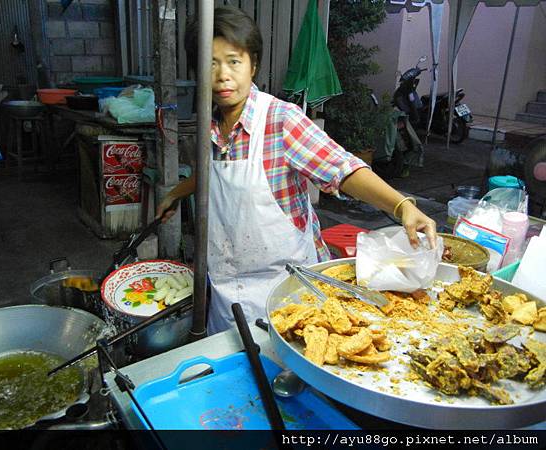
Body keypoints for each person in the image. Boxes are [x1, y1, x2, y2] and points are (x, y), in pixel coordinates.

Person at [157, 6, 437, 334]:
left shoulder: (281, 121)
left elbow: (343, 169)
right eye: (210, 63)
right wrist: (176, 193)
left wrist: (400, 205)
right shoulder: (210, 125)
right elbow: (210, 176)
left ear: (254, 64)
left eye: (234, 61)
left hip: (289, 291)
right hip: (225, 292)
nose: (222, 75)